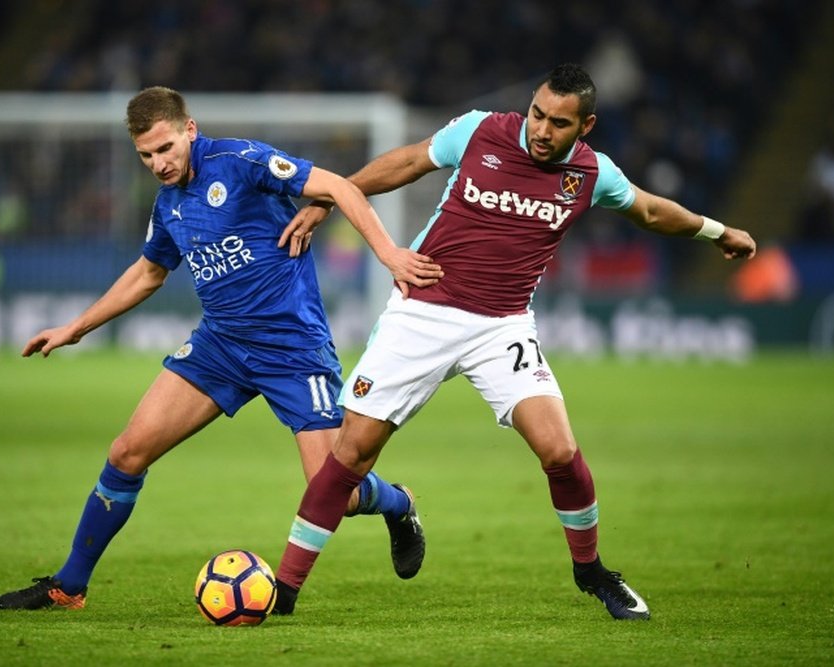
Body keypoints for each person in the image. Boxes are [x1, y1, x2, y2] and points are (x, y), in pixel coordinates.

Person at [271, 63, 757, 621]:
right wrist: (331, 196)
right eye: (537, 114)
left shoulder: (592, 174)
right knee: (350, 454)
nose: (542, 131)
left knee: (560, 451)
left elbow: (649, 209)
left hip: (502, 326)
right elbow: (406, 161)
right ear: (529, 105)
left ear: (586, 126)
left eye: (559, 123)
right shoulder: (479, 131)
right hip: (422, 311)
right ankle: (284, 592)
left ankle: (592, 571)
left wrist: (717, 231)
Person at [0, 86, 442, 610]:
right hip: (220, 346)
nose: (158, 163)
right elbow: (148, 273)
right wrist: (77, 327)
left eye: (165, 148)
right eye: (146, 155)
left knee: (336, 495)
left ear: (190, 129)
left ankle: (398, 503)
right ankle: (68, 587)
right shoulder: (169, 206)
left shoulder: (241, 161)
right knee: (127, 452)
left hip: (292, 349)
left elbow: (340, 187)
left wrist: (389, 255)